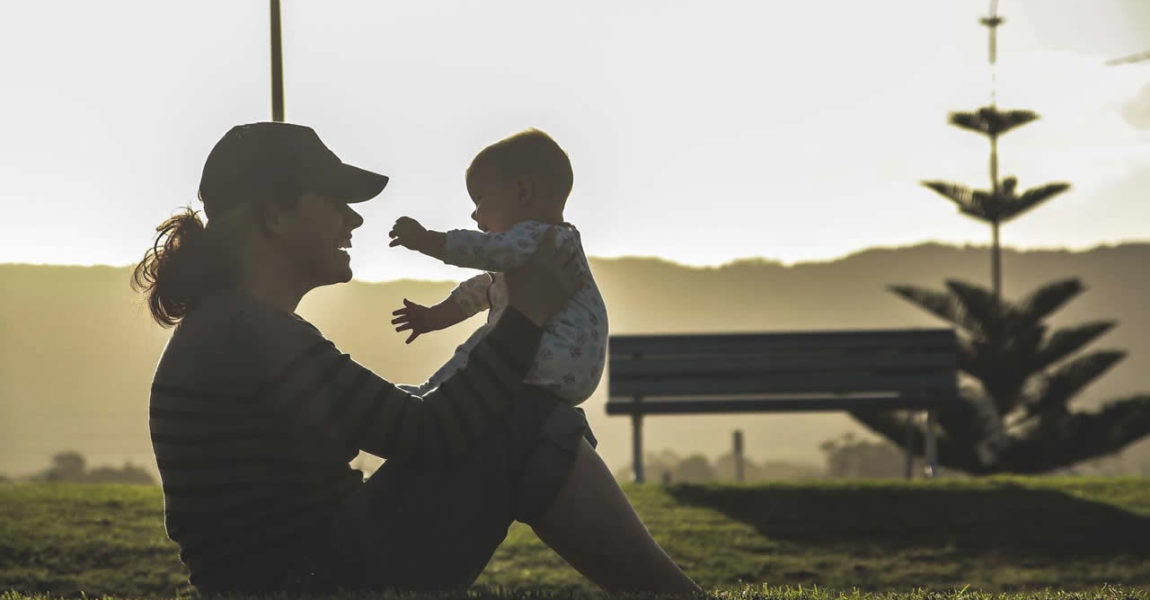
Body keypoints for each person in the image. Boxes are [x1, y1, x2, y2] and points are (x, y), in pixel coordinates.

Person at [134, 122, 700, 595]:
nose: (353, 221)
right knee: (526, 418)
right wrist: (526, 315)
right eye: (335, 203)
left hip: (306, 576)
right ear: (275, 214)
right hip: (313, 584)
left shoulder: (233, 328)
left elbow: (395, 419)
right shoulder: (245, 333)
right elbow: (427, 432)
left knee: (522, 414)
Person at [388, 128, 607, 409]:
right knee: (490, 348)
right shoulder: (545, 248)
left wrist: (427, 240)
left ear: (522, 192)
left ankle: (432, 396)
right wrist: (432, 318)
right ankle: (432, 394)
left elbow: (484, 250)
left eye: (479, 200)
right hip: (571, 370)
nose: (474, 214)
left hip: (551, 355)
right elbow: (483, 291)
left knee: (484, 348)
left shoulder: (541, 236)